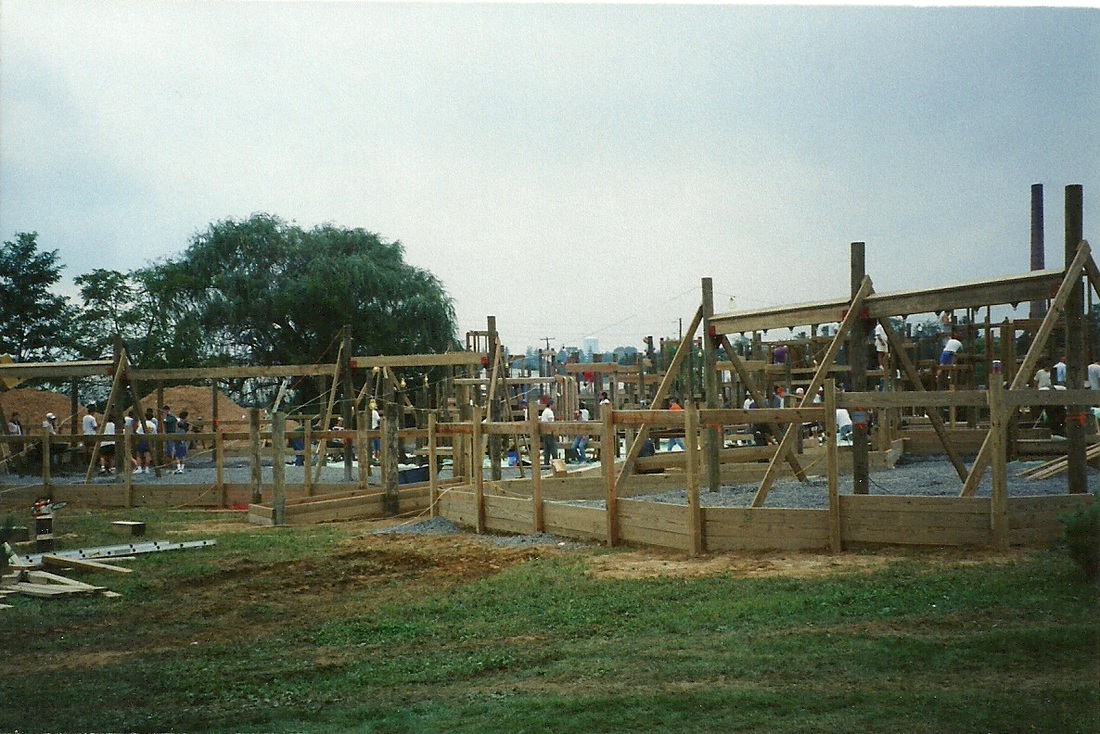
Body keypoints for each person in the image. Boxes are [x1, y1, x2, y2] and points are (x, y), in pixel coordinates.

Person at [539, 399, 557, 467]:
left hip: (544, 433)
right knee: (553, 448)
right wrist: (554, 431)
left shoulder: (544, 411)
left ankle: (546, 463)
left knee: (546, 449)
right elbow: (550, 422)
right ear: (551, 405)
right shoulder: (549, 412)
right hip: (549, 432)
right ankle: (556, 463)